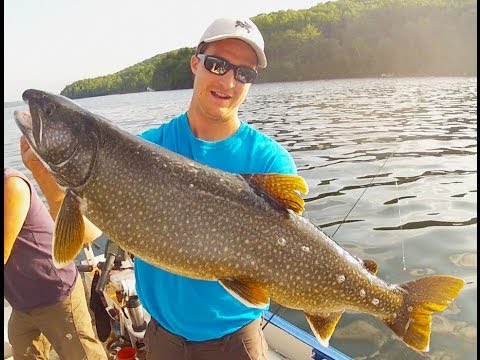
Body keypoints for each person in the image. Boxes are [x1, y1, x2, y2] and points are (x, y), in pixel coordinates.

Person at [20, 17, 298, 359]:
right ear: (195, 64)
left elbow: (292, 252)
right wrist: (47, 175)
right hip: (162, 337)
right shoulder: (142, 150)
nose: (228, 80)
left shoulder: (270, 161)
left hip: (237, 340)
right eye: (217, 64)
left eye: (244, 73)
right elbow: (89, 233)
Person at [4, 167, 108, 360]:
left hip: (54, 293)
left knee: (82, 355)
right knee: (24, 352)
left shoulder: (12, 185)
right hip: (21, 300)